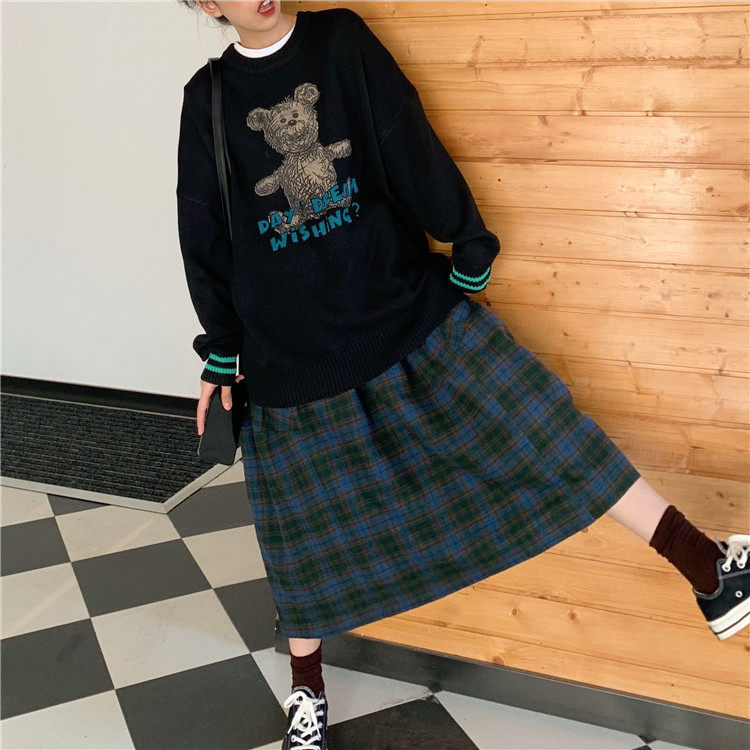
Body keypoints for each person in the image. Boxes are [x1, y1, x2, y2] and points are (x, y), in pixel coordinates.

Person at [175, 3, 749, 748]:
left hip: (402, 309)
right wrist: (221, 353)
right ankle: (307, 692)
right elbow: (203, 231)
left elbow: (405, 139)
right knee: (301, 542)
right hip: (290, 355)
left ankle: (708, 568)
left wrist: (467, 239)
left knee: (546, 430)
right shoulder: (209, 99)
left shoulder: (339, 40)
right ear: (207, 4)